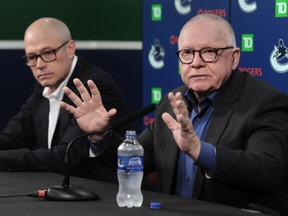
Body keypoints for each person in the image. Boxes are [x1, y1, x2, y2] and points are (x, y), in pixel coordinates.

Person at [60, 14, 288, 215]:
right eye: (187, 53)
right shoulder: (172, 102)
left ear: (234, 57)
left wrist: (200, 151)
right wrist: (100, 136)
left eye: (209, 52)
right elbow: (138, 160)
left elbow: (268, 170)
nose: (196, 63)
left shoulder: (264, 101)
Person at [0, 17, 129, 179]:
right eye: (32, 57)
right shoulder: (45, 85)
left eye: (47, 53)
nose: (39, 65)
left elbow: (68, 156)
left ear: (70, 48)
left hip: (104, 196)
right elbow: (15, 135)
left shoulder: (93, 86)